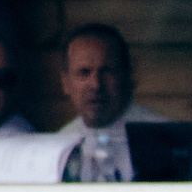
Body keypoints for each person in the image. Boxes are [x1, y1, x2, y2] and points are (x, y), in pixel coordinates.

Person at [50, 24, 168, 183]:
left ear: (126, 76)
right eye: (84, 73)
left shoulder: (165, 141)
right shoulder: (59, 147)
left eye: (107, 72)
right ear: (66, 83)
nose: (96, 84)